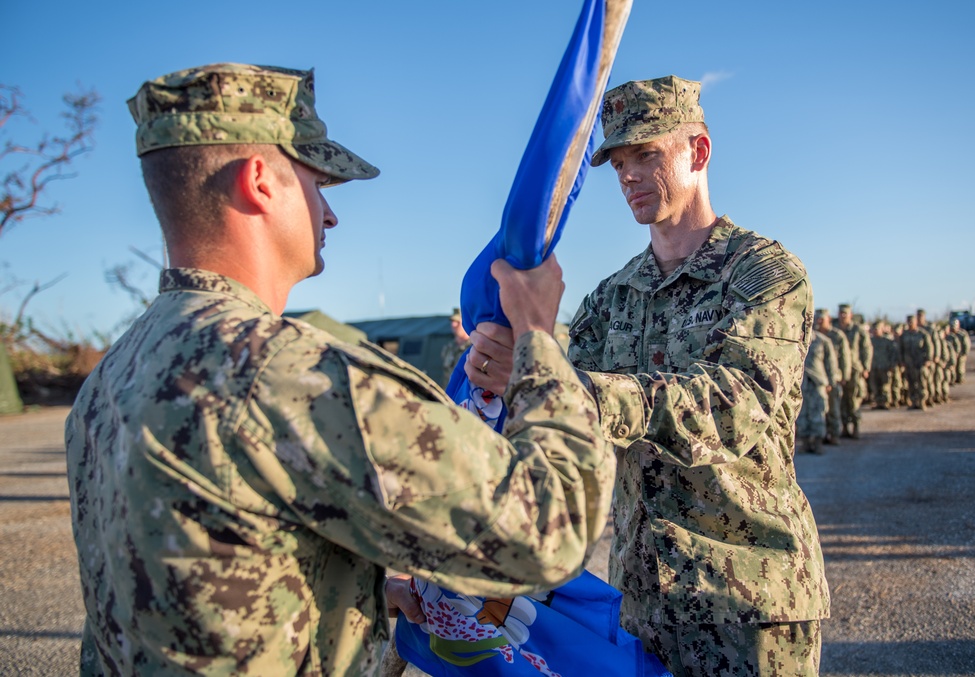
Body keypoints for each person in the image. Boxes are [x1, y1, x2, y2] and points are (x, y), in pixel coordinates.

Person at [64, 63, 615, 677]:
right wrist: (538, 336)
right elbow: (551, 529)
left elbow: (193, 580)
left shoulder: (115, 373)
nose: (329, 214)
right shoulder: (289, 375)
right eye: (317, 182)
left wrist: (366, 595)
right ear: (259, 183)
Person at [467, 75, 829, 676]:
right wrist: (505, 375)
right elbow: (558, 420)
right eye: (617, 162)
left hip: (746, 598)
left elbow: (732, 408)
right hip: (642, 604)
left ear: (698, 151)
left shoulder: (764, 273)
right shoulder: (610, 298)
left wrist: (564, 385)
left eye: (646, 154)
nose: (628, 175)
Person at [798, 312, 838, 453]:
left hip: (818, 381)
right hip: (801, 382)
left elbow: (831, 363)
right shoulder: (796, 340)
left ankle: (818, 441)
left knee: (819, 411)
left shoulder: (822, 341)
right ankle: (805, 441)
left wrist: (831, 382)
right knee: (802, 413)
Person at [833, 303, 872, 437]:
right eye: (840, 313)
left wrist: (866, 367)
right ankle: (844, 427)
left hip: (855, 369)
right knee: (841, 399)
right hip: (839, 369)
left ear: (850, 315)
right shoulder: (835, 329)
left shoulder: (857, 329)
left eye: (845, 313)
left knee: (854, 398)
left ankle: (856, 426)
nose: (842, 316)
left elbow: (866, 348)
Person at [816, 308, 851, 446]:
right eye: (817, 319)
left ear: (828, 319)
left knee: (833, 408)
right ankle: (823, 434)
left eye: (822, 319)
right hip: (818, 378)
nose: (819, 322)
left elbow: (845, 357)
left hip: (834, 377)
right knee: (820, 408)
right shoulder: (813, 335)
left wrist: (844, 376)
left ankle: (835, 434)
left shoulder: (837, 335)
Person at [899, 314, 933, 409]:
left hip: (920, 363)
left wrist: (928, 360)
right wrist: (901, 361)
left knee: (922, 383)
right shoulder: (904, 335)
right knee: (911, 384)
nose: (910, 324)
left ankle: (922, 402)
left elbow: (929, 348)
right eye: (908, 322)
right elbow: (901, 349)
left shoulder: (922, 334)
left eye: (912, 322)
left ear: (916, 322)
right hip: (909, 363)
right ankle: (914, 402)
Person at [869, 320, 900, 409]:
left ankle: (885, 402)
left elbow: (893, 354)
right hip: (874, 366)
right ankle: (877, 402)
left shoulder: (887, 341)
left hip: (885, 367)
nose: (875, 331)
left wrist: (892, 365)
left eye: (877, 329)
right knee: (875, 386)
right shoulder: (870, 341)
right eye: (874, 329)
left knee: (885, 386)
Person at [440, 306, 471, 384]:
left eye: (458, 322)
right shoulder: (448, 348)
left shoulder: (474, 347)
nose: (453, 325)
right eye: (452, 321)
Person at [948, 318, 972, 384]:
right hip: (953, 354)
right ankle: (953, 379)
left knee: (960, 368)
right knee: (953, 367)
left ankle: (960, 379)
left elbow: (967, 345)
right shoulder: (950, 334)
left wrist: (964, 353)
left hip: (961, 354)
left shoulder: (962, 334)